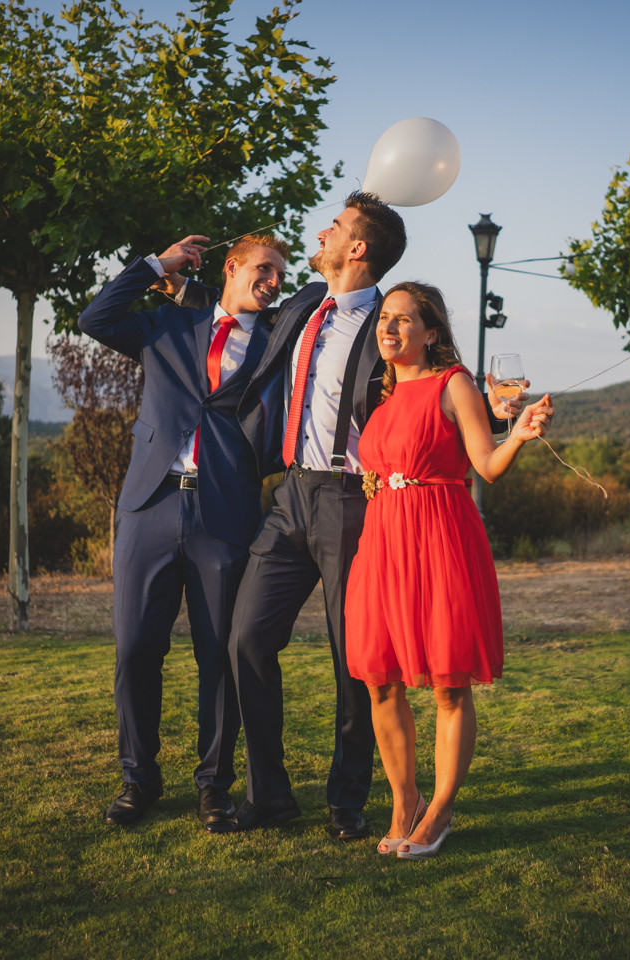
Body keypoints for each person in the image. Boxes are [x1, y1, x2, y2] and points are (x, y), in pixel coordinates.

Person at [174, 193, 523, 840]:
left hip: (355, 498)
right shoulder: (305, 303)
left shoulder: (390, 321)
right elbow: (243, 316)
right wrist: (182, 284)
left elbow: (439, 389)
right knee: (246, 639)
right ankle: (270, 796)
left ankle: (350, 800)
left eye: (333, 226)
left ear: (357, 248)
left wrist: (505, 417)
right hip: (286, 496)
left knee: (357, 659)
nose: (322, 231)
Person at [76, 233, 290, 833]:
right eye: (264, 268)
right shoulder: (168, 324)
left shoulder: (278, 343)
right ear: (232, 267)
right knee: (135, 649)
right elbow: (96, 318)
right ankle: (137, 778)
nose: (274, 280)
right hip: (149, 504)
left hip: (225, 515)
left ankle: (213, 788)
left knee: (217, 656)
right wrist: (155, 266)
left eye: (280, 273)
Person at [344, 281, 553, 859]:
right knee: (379, 679)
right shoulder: (380, 398)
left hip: (439, 538)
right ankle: (403, 799)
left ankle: (440, 808)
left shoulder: (453, 383)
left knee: (447, 683)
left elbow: (485, 465)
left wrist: (521, 434)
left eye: (403, 320)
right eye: (385, 318)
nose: (389, 328)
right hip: (382, 542)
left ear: (430, 333)